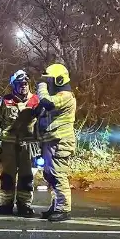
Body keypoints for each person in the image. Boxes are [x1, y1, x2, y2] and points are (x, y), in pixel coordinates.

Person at [0, 70, 39, 217]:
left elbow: (43, 124)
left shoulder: (36, 101)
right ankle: (5, 204)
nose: (23, 86)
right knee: (7, 177)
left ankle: (25, 205)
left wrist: (43, 142)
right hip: (8, 146)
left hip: (28, 147)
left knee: (27, 177)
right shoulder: (5, 101)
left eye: (25, 84)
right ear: (13, 85)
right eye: (20, 84)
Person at [35, 63, 77, 223]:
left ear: (58, 80)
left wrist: (41, 85)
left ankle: (63, 209)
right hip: (52, 141)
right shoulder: (58, 96)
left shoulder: (65, 96)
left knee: (58, 174)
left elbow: (48, 103)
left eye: (49, 81)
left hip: (60, 142)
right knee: (50, 175)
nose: (47, 84)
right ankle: (56, 205)